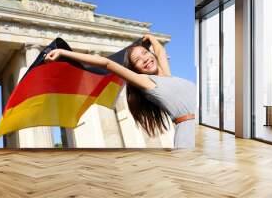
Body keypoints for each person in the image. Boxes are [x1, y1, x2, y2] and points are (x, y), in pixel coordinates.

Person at [44, 34, 196, 148]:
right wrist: (63, 53)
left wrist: (150, 37)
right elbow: (106, 63)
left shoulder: (167, 75)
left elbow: (160, 51)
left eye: (144, 53)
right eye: (137, 60)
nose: (144, 59)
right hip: (189, 134)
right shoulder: (147, 82)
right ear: (136, 70)